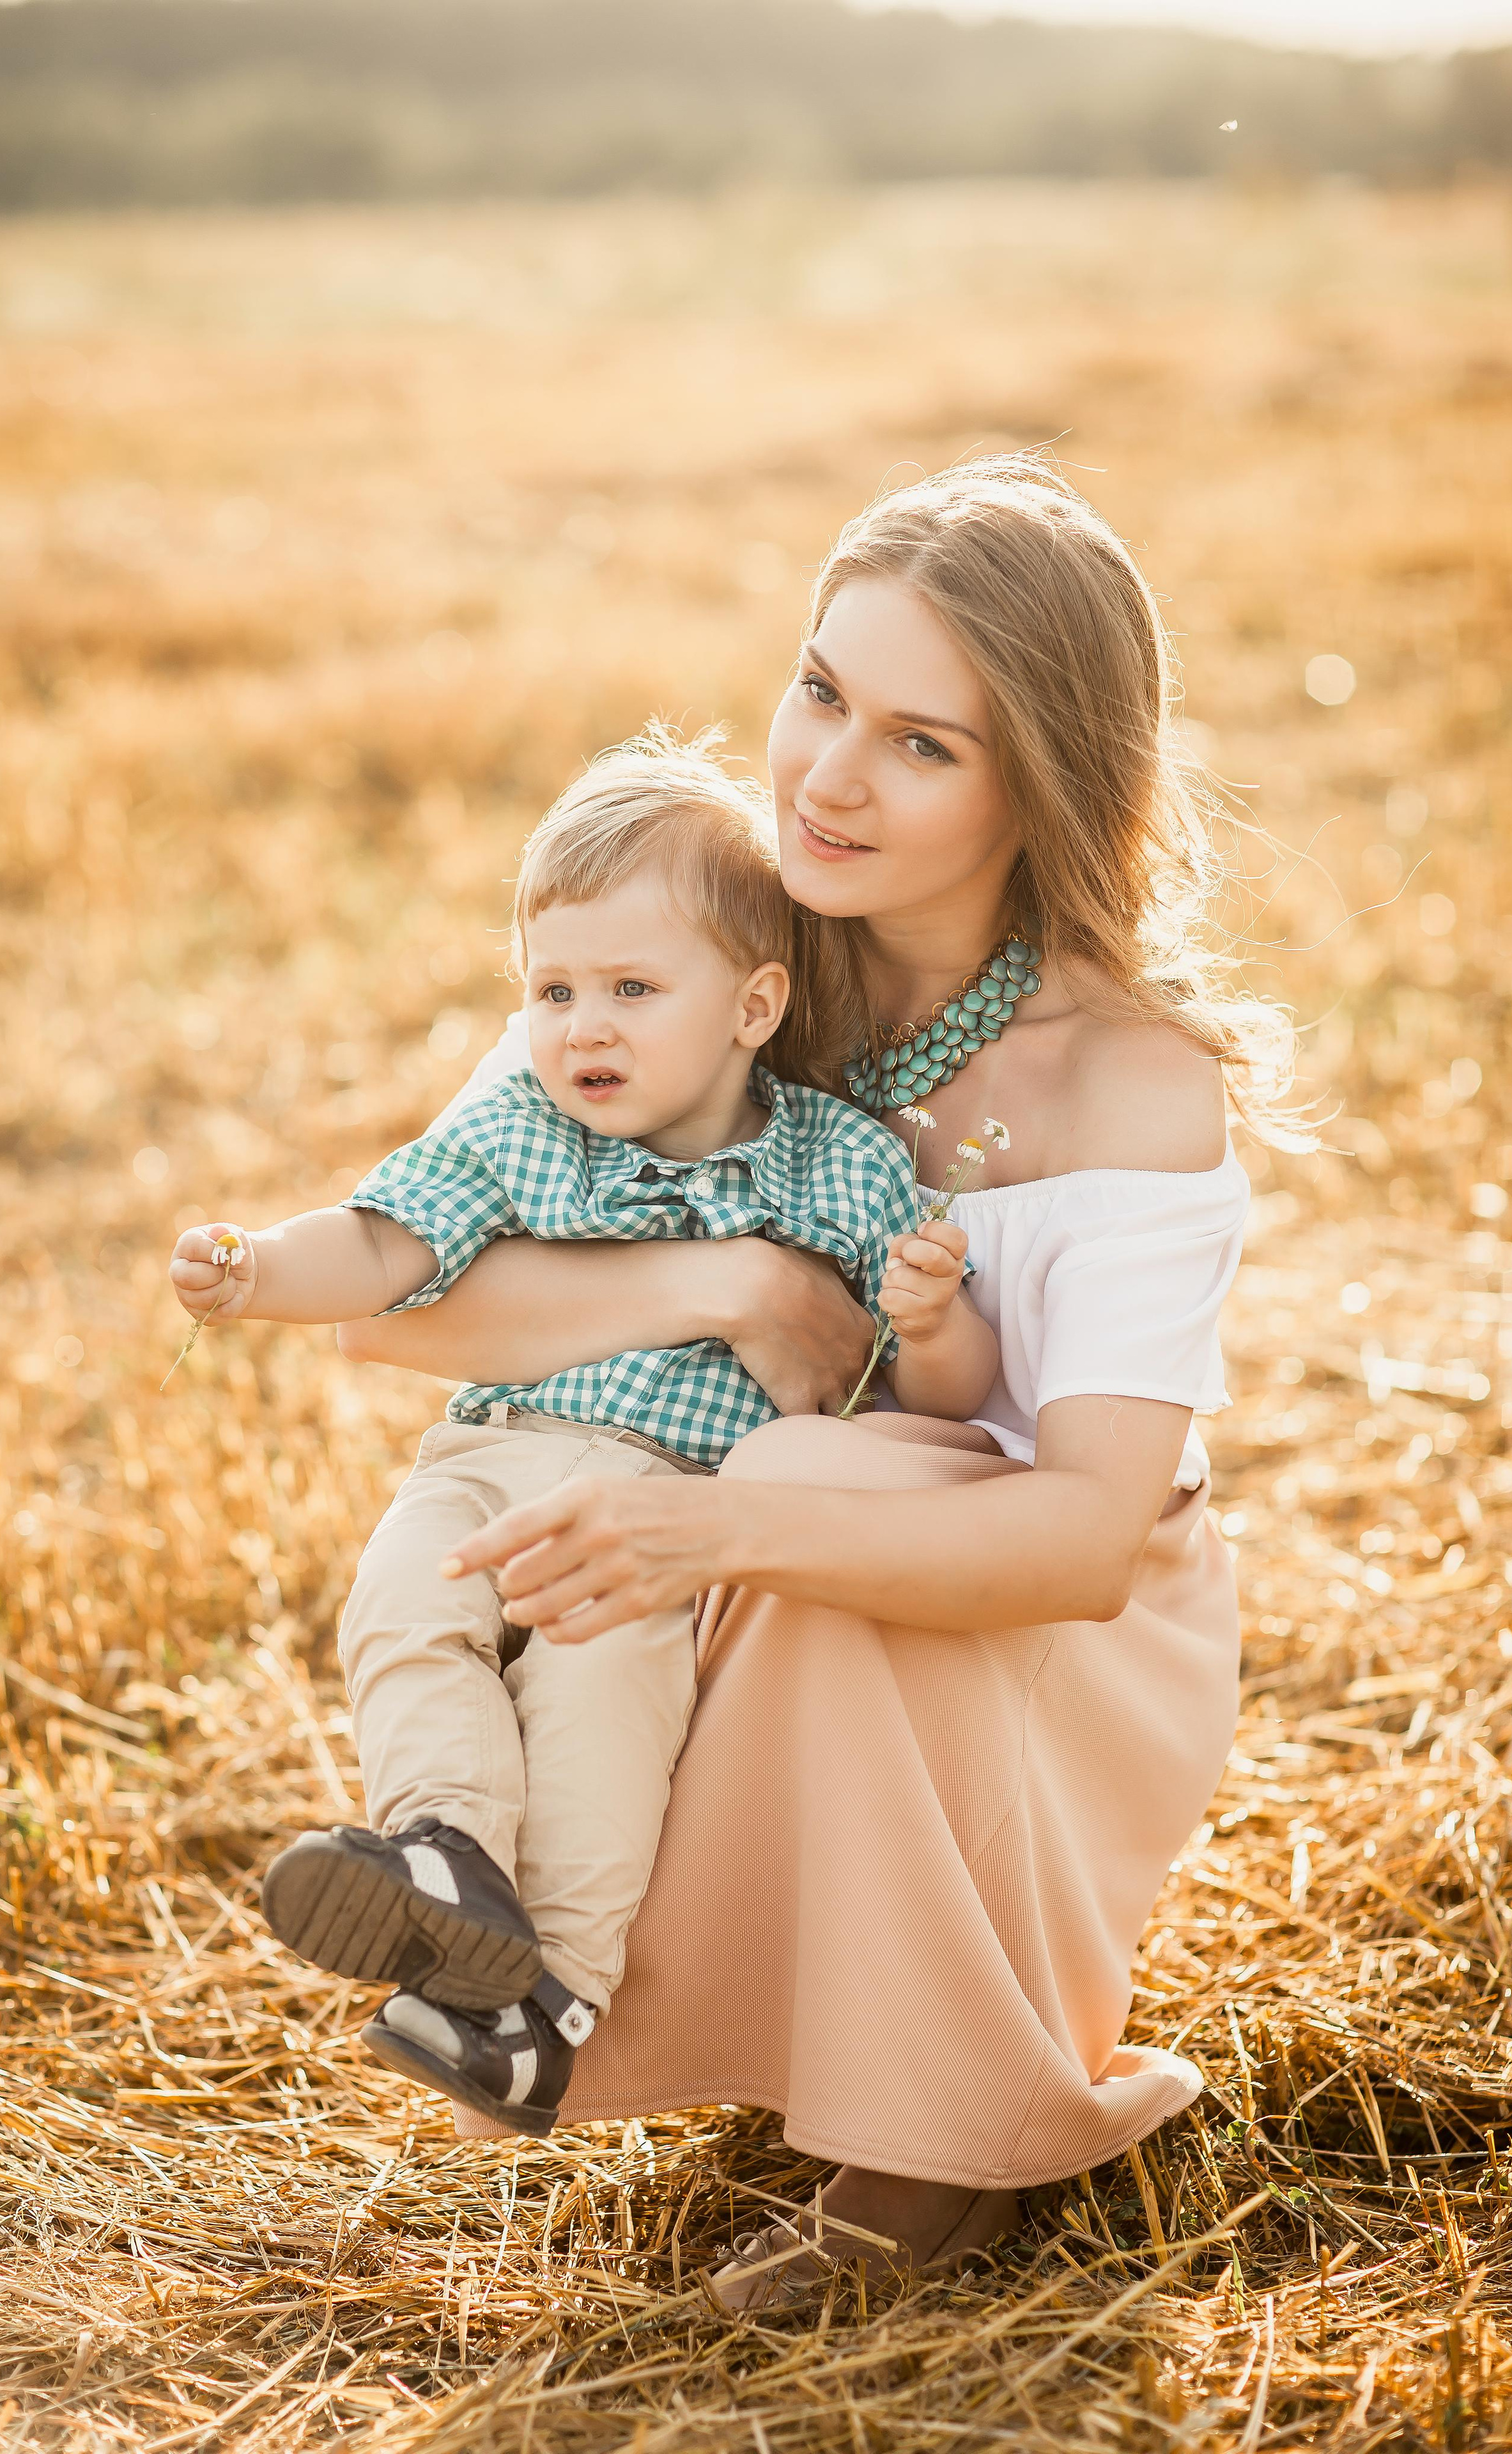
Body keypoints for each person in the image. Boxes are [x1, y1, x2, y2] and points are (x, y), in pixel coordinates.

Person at [338, 456, 1302, 2309]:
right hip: (753, 1546)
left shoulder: (1124, 1078)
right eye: (820, 691)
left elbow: (1086, 1541)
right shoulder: (698, 935)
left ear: (1043, 785)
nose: (827, 778)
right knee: (588, 1516)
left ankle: (941, 2147)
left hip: (1049, 1635)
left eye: (921, 745)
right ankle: (588, 1972)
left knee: (817, 1486)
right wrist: (742, 1282)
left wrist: (717, 1525)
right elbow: (393, 1304)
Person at [169, 740, 997, 2138]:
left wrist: (932, 1317)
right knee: (403, 1608)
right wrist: (255, 1269)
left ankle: (542, 2001)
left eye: (630, 991)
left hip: (662, 1500)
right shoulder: (520, 1129)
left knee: (600, 1701)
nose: (581, 1030)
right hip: (490, 1458)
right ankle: (445, 1848)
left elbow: (926, 1393)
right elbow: (379, 1245)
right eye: (552, 992)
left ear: (752, 1005)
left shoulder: (840, 1164)